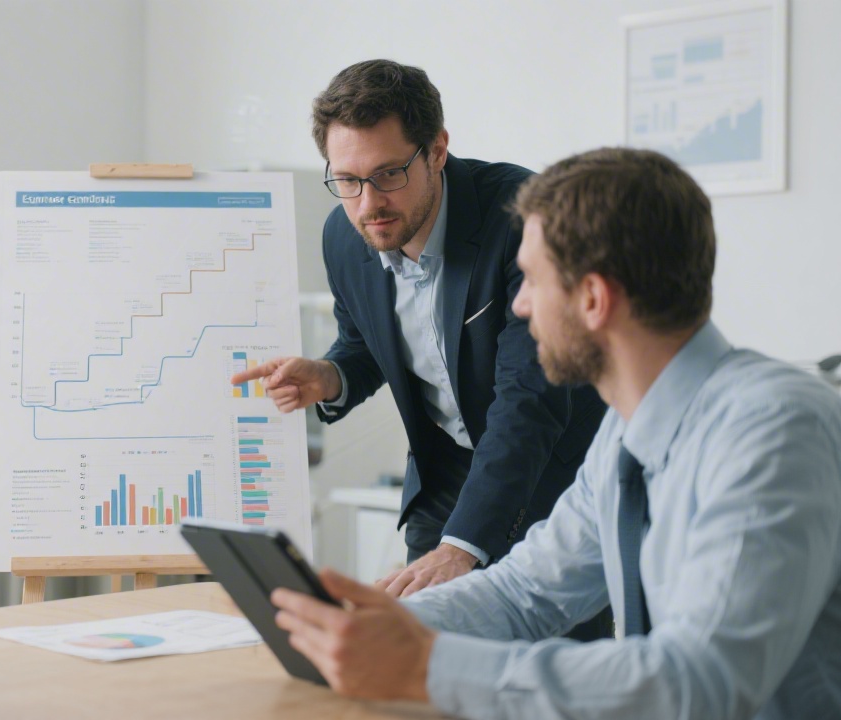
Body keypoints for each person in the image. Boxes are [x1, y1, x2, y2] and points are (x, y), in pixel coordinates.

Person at [271, 147, 841, 719]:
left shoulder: (776, 433)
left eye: (531, 280)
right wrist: (370, 625)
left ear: (593, 299)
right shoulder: (626, 437)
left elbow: (700, 687)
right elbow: (525, 593)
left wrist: (426, 666)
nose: (519, 304)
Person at [230, 59, 606, 601]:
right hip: (443, 477)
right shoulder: (345, 236)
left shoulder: (522, 217)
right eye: (347, 180)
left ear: (436, 150)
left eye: (388, 174)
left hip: (550, 474)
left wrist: (461, 547)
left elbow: (528, 398)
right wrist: (331, 376)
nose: (368, 204)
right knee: (415, 638)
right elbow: (364, 344)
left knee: (555, 647)